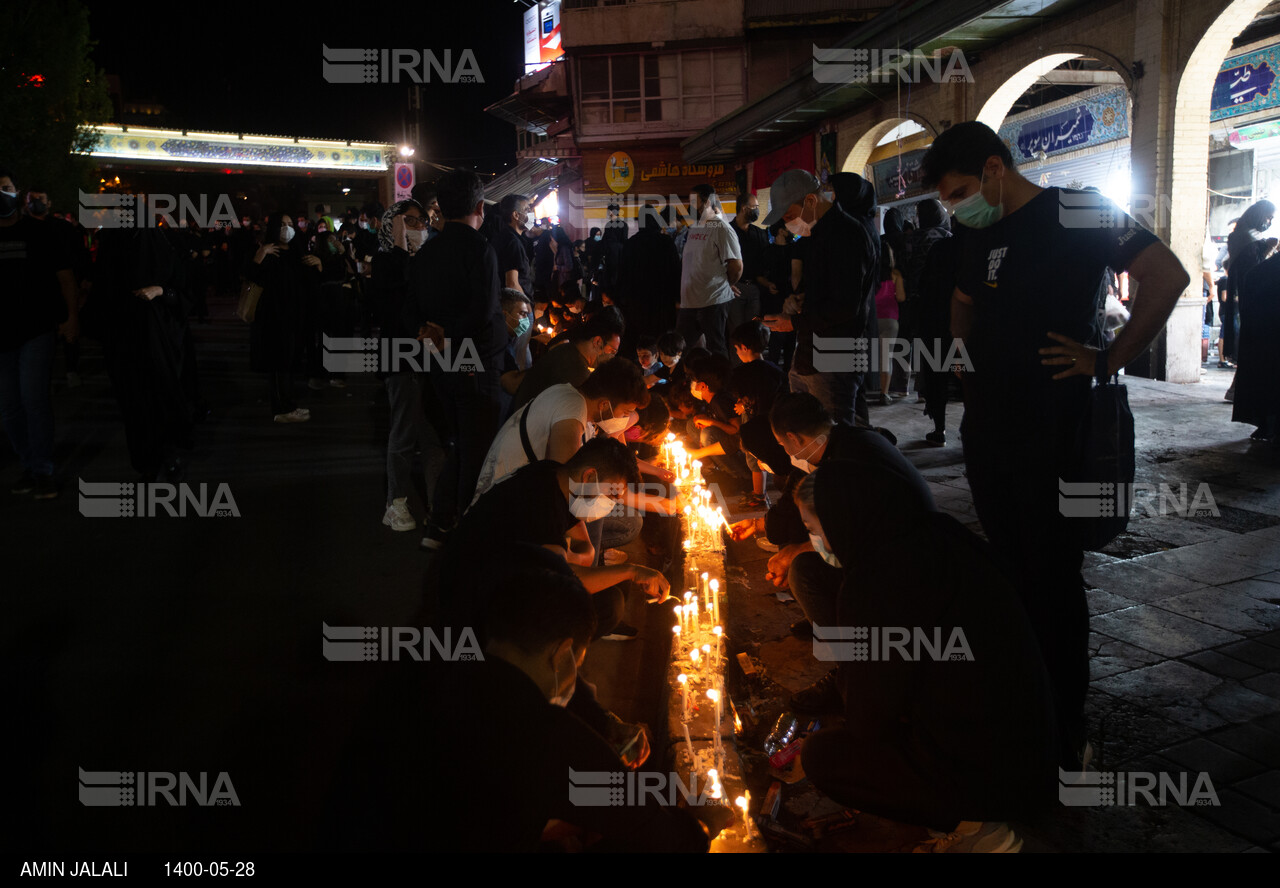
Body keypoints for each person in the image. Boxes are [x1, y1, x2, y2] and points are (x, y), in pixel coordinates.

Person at [920, 120, 1189, 769]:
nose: (955, 207)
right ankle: (1020, 701)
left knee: (1052, 577)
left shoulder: (1079, 208)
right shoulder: (975, 229)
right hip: (988, 431)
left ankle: (1065, 726)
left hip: (1055, 430)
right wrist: (961, 353)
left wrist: (1108, 359)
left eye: (959, 191)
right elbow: (962, 300)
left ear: (992, 168)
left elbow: (1168, 276)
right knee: (1010, 572)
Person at [327, 544, 721, 852]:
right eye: (579, 662)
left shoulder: (428, 664)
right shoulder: (546, 736)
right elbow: (666, 832)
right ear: (563, 654)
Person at [794, 464, 1057, 853]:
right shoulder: (938, 532)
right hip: (1035, 740)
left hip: (989, 771)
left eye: (813, 528)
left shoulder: (872, 584)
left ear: (841, 519)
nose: (813, 538)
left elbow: (867, 722)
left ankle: (976, 827)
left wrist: (856, 682)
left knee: (823, 755)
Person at [407, 170, 507, 551]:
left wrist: (431, 334)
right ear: (480, 207)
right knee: (477, 448)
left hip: (441, 363)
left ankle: (438, 524)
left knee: (464, 443)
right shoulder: (480, 249)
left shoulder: (427, 251)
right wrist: (450, 336)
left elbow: (411, 310)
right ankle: (468, 535)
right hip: (475, 361)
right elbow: (483, 311)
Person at [762, 170, 879, 428]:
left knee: (833, 434)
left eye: (790, 215)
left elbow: (846, 305)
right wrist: (795, 301)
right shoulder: (816, 234)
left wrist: (794, 323)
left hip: (837, 351)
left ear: (811, 201)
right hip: (809, 351)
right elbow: (814, 288)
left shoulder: (848, 234)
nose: (787, 222)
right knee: (807, 431)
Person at [0, 169, 78, 498]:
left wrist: (72, 317)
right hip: (1, 334)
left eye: (4, 188)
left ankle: (43, 470)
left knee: (34, 401)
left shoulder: (41, 233)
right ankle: (29, 465)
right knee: (9, 408)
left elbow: (65, 277)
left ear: (18, 192)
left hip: (37, 329)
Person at [94, 225, 193, 482]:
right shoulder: (112, 251)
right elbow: (101, 294)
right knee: (134, 403)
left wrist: (161, 291)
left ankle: (169, 455)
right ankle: (145, 461)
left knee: (162, 396)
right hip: (123, 340)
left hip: (160, 341)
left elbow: (184, 293)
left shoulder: (163, 251)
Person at [372, 199, 444, 533]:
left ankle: (438, 505)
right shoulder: (386, 261)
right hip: (399, 357)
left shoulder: (424, 262)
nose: (420, 228)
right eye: (410, 221)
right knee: (404, 431)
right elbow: (391, 308)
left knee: (432, 435)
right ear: (393, 225)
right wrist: (401, 244)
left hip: (430, 357)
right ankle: (395, 502)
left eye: (423, 222)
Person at [245, 212, 317, 423]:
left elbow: (309, 281)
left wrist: (318, 263)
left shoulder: (296, 252)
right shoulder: (267, 252)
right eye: (283, 224)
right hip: (274, 319)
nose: (287, 228)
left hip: (294, 319)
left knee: (289, 363)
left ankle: (289, 404)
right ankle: (281, 409)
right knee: (279, 364)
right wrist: (260, 254)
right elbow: (251, 276)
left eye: (290, 224)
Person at [506, 305, 625, 415]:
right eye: (612, 351)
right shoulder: (578, 374)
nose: (611, 357)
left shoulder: (567, 349)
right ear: (598, 342)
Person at [677, 185, 742, 357]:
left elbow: (736, 266)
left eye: (693, 201)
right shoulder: (696, 227)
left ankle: (722, 383)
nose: (689, 206)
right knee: (679, 350)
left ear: (706, 202)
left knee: (717, 350)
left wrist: (725, 285)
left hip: (712, 302)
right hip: (690, 302)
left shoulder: (721, 227)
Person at [1223, 199, 1275, 403]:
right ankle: (1238, 390)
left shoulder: (1244, 236)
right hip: (1249, 299)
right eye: (1268, 217)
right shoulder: (1245, 238)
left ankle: (1237, 389)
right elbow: (1255, 271)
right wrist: (1267, 250)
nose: (1269, 221)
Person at [729, 320, 785, 508]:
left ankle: (759, 495)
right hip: (774, 418)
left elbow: (745, 396)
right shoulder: (774, 370)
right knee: (766, 455)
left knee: (753, 457)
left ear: (743, 347)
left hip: (754, 421)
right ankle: (762, 493)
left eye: (737, 349)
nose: (737, 353)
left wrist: (742, 404)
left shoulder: (741, 373)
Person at [1232, 247, 1280, 450]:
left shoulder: (1260, 272)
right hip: (1269, 339)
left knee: (1265, 384)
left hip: (1261, 342)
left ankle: (1267, 425)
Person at [617, 205, 681, 348]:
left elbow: (623, 273)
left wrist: (623, 299)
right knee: (661, 339)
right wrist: (677, 298)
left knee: (639, 339)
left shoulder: (630, 244)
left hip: (637, 301)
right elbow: (676, 271)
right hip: (662, 300)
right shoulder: (666, 242)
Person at [727, 192, 772, 365]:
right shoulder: (727, 231)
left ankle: (754, 369)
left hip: (754, 287)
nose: (757, 211)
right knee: (736, 334)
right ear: (744, 208)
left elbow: (764, 261)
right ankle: (737, 372)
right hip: (735, 288)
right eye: (755, 207)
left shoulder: (759, 234)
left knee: (754, 334)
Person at [873, 242, 907, 405]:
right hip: (890, 319)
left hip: (871, 318)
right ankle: (884, 393)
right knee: (886, 357)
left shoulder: (869, 272)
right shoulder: (895, 274)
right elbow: (901, 297)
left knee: (865, 355)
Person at [493, 193, 533, 299]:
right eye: (527, 210)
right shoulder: (512, 242)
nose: (531, 213)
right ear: (516, 215)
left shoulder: (504, 237)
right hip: (517, 307)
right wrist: (526, 306)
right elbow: (512, 283)